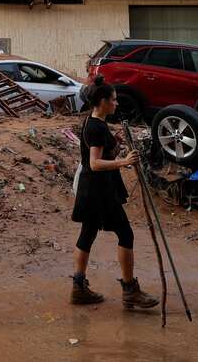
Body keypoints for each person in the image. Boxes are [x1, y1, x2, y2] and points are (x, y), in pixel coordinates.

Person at [69, 83, 158, 309]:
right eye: (114, 99)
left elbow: (100, 153)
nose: (116, 103)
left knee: (87, 234)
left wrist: (115, 146)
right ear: (103, 101)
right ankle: (130, 290)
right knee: (125, 234)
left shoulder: (94, 121)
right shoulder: (96, 127)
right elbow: (95, 163)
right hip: (100, 191)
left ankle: (79, 288)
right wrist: (124, 161)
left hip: (94, 189)